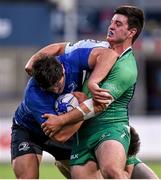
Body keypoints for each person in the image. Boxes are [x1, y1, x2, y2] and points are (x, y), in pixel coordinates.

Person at [41, 5, 145, 179]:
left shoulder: (126, 67)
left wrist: (60, 121)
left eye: (118, 24)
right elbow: (60, 47)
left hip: (110, 126)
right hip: (82, 132)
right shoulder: (95, 47)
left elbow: (97, 105)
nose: (111, 26)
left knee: (111, 170)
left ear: (131, 32)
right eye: (111, 22)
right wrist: (35, 60)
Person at [11, 40, 119, 179]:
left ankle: (61, 162)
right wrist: (84, 109)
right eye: (50, 88)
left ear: (62, 69)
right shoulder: (34, 94)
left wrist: (93, 82)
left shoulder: (72, 60)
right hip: (29, 131)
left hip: (66, 127)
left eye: (58, 84)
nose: (56, 90)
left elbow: (109, 54)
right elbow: (60, 136)